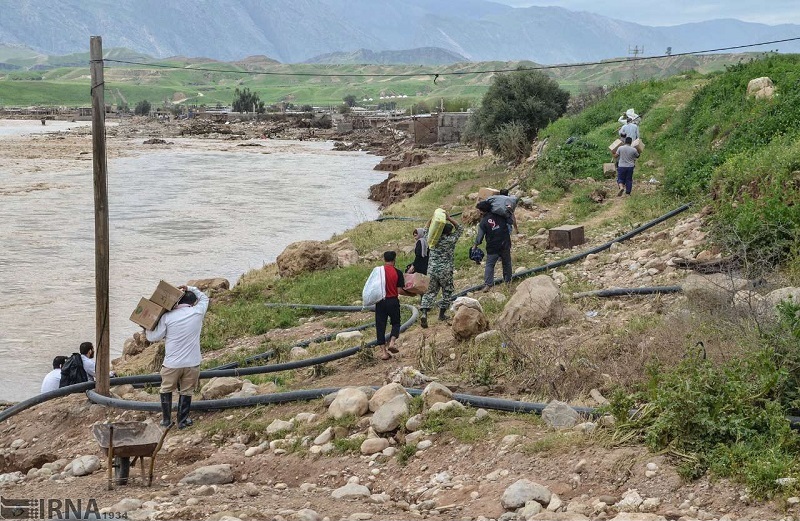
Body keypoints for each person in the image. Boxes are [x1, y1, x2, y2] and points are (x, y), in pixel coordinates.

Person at [146, 285, 209, 429]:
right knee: (186, 391)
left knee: (166, 389)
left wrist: (146, 329)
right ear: (192, 303)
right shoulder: (197, 312)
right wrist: (190, 287)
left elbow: (153, 337)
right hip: (192, 362)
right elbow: (204, 298)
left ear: (177, 302)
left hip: (172, 363)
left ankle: (166, 421)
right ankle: (182, 421)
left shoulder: (167, 317)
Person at [419, 214, 462, 328]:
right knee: (447, 291)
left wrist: (433, 218)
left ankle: (424, 313)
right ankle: (442, 314)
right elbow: (460, 228)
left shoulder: (432, 240)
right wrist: (449, 219)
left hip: (432, 270)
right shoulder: (450, 240)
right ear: (448, 232)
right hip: (445, 270)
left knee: (429, 292)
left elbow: (425, 229)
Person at [375, 251, 406, 360]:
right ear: (394, 259)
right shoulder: (398, 272)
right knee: (396, 323)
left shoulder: (378, 272)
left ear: (384, 259)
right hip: (393, 301)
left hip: (380, 302)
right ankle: (392, 342)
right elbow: (400, 291)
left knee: (380, 326)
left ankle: (384, 353)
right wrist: (412, 293)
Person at [475, 200, 512, 290]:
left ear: (482, 211)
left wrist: (475, 245)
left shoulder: (483, 222)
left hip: (493, 246)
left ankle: (488, 284)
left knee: (490, 265)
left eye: (479, 210)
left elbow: (480, 237)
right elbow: (510, 222)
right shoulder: (500, 215)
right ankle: (508, 282)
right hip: (505, 242)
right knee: (506, 263)